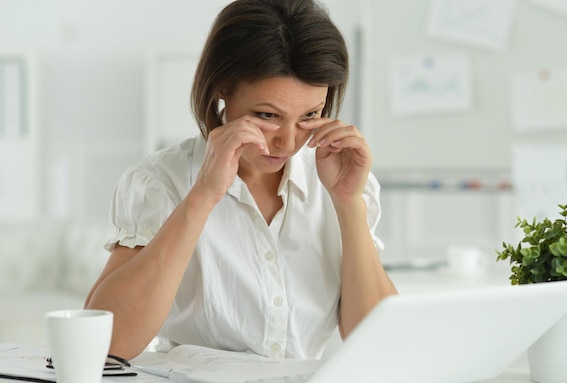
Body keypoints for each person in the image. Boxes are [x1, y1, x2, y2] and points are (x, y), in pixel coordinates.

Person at [84, 0, 397, 360]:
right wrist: (203, 196)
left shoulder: (343, 183)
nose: (288, 141)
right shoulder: (161, 181)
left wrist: (348, 202)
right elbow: (103, 345)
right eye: (267, 115)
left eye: (310, 115)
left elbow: (381, 347)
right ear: (221, 89)